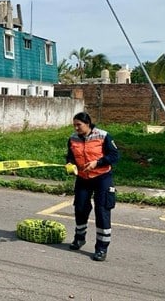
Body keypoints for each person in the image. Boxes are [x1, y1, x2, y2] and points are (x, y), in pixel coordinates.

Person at [66, 112, 119, 262]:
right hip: (83, 178)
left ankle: (101, 248)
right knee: (80, 207)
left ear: (88, 123)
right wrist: (70, 164)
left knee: (102, 210)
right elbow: (70, 156)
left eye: (79, 125)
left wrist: (98, 163)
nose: (76, 128)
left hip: (102, 177)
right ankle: (79, 238)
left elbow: (114, 156)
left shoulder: (103, 136)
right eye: (74, 125)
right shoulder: (72, 138)